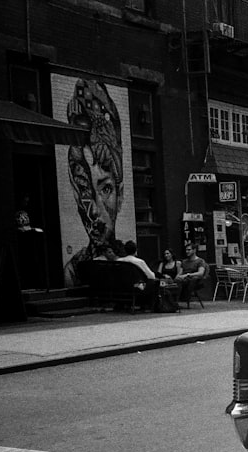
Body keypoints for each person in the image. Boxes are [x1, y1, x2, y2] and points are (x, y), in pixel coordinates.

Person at [63, 79, 126, 287]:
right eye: (84, 189)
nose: (95, 211)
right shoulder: (73, 272)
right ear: (74, 192)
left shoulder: (126, 261)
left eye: (106, 189)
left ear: (121, 194)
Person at [118, 240, 158, 310]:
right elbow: (151, 276)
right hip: (136, 286)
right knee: (154, 282)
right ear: (136, 250)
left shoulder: (119, 261)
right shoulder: (139, 262)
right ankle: (148, 305)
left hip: (121, 286)